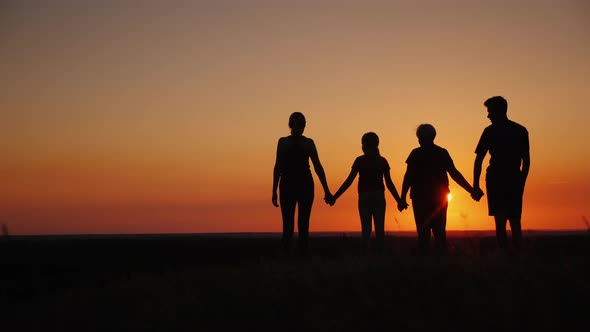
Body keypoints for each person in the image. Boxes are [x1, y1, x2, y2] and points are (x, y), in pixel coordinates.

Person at [400, 124, 482, 254]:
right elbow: (454, 174)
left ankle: (426, 263)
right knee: (440, 232)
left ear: (420, 138)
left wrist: (402, 198)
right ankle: (441, 260)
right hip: (439, 198)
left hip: (420, 198)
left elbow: (408, 177)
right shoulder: (441, 152)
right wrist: (471, 190)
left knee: (423, 233)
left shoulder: (415, 154)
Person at [327, 132, 405, 254]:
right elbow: (389, 184)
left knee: (366, 230)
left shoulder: (359, 160)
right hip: (379, 195)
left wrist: (335, 197)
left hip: (364, 196)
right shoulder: (382, 161)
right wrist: (399, 200)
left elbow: (349, 181)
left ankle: (365, 257)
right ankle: (380, 256)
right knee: (380, 230)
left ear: (363, 145)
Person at [473, 96, 530, 251]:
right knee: (515, 221)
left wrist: (475, 186)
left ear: (498, 111)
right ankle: (516, 257)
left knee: (501, 221)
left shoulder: (489, 131)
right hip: (512, 179)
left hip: (497, 179)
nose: (488, 115)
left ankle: (506, 257)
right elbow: (526, 161)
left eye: (490, 112)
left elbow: (479, 160)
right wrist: (521, 182)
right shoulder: (520, 130)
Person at [272, 112, 332, 256]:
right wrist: (327, 190)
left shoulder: (286, 142)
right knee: (299, 225)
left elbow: (278, 167)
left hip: (293, 184)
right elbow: (318, 167)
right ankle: (298, 258)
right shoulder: (305, 143)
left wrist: (274, 190)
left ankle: (295, 258)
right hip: (298, 184)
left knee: (291, 226)